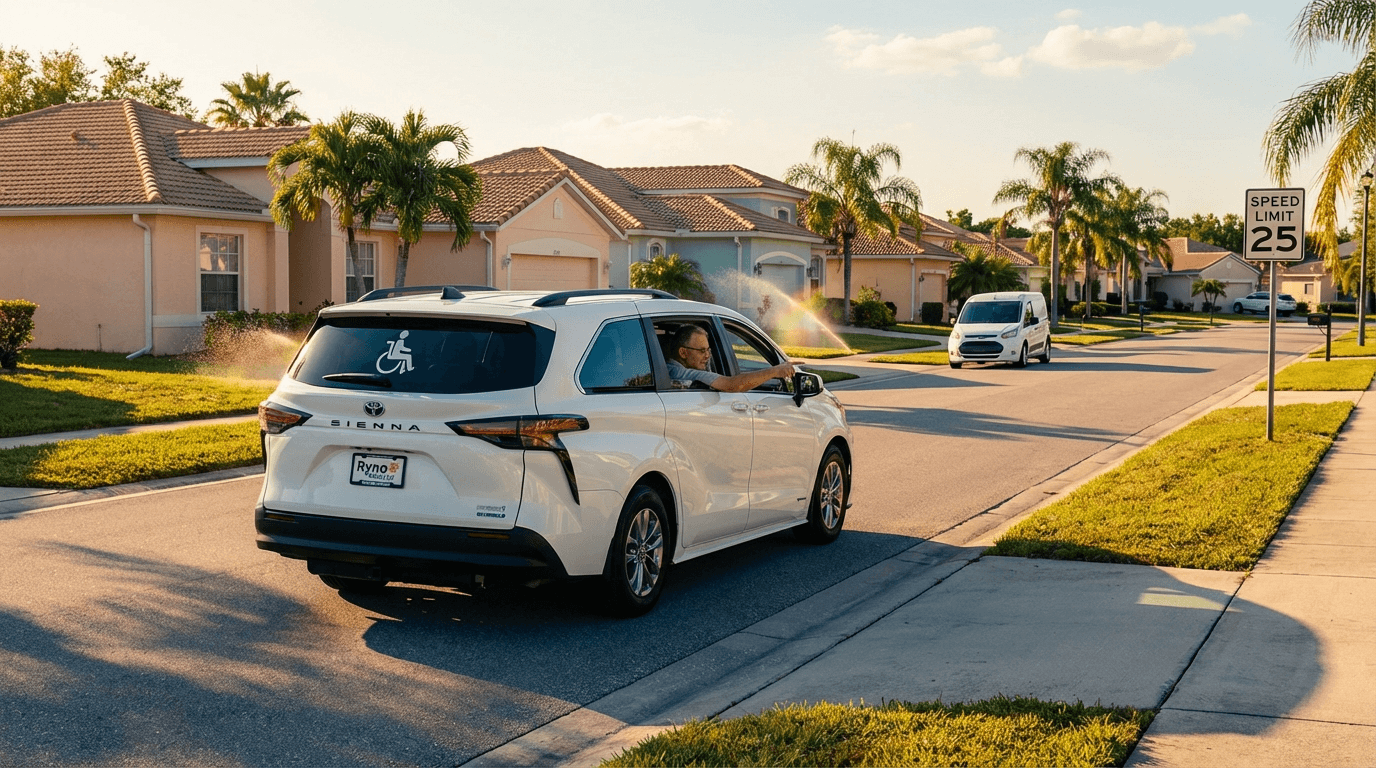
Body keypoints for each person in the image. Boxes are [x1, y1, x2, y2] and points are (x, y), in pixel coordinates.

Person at [666, 326, 795, 393]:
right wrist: (775, 371)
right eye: (701, 351)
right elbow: (731, 384)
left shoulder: (666, 370)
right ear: (683, 352)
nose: (707, 356)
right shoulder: (680, 373)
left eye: (708, 350)